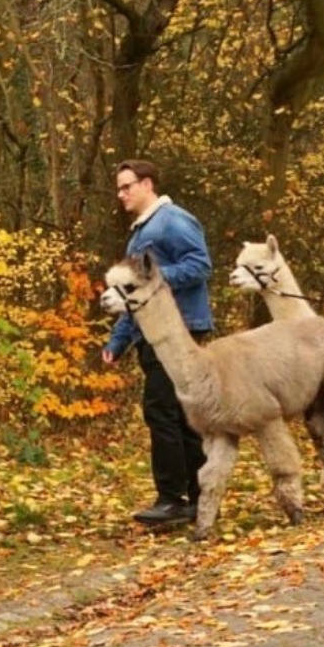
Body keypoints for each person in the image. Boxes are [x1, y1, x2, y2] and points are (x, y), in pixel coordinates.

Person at [101, 159, 212, 529]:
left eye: (126, 186)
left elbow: (200, 264)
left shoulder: (172, 220)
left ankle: (173, 499)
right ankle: (197, 496)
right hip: (151, 334)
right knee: (177, 415)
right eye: (119, 188)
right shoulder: (140, 233)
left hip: (179, 331)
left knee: (163, 411)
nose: (121, 194)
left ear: (147, 184)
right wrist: (118, 341)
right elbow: (135, 295)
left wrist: (157, 280)